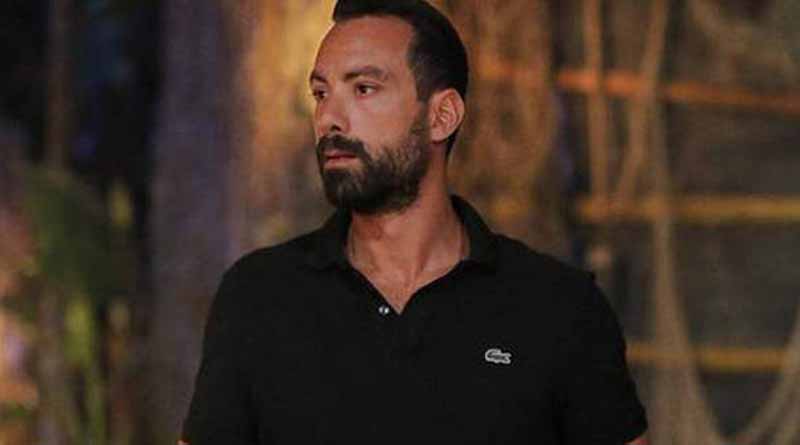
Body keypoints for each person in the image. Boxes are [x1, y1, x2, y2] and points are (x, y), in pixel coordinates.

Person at [180, 1, 647, 444]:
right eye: (321, 93)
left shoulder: (559, 308)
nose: (329, 119)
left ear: (442, 116)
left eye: (363, 89)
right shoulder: (258, 297)